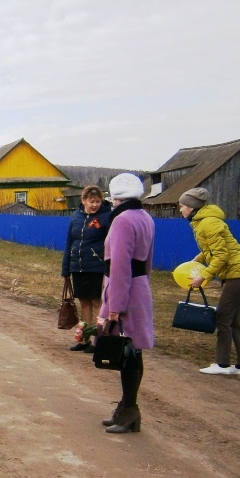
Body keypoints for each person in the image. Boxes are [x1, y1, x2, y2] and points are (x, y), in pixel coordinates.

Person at [98, 173, 155, 434]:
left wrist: (115, 306)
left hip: (125, 290)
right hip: (139, 286)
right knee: (134, 350)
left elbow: (120, 264)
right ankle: (126, 407)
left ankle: (130, 409)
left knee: (127, 351)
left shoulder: (122, 220)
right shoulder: (145, 217)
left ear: (116, 197)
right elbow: (148, 260)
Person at [177, 187, 240, 376]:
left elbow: (221, 255)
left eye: (182, 206)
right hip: (234, 272)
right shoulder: (203, 222)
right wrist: (197, 260)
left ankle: (223, 364)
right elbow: (211, 250)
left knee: (223, 318)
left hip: (236, 272)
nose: (180, 209)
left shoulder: (209, 223)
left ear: (192, 207)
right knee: (234, 320)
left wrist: (203, 276)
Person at [62, 185, 111, 350]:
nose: (95, 205)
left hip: (97, 267)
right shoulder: (76, 217)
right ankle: (84, 340)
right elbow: (69, 243)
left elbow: (111, 243)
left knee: (97, 302)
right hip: (78, 267)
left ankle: (99, 341)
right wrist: (66, 268)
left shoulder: (106, 217)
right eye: (91, 201)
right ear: (83, 201)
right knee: (84, 302)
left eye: (97, 201)